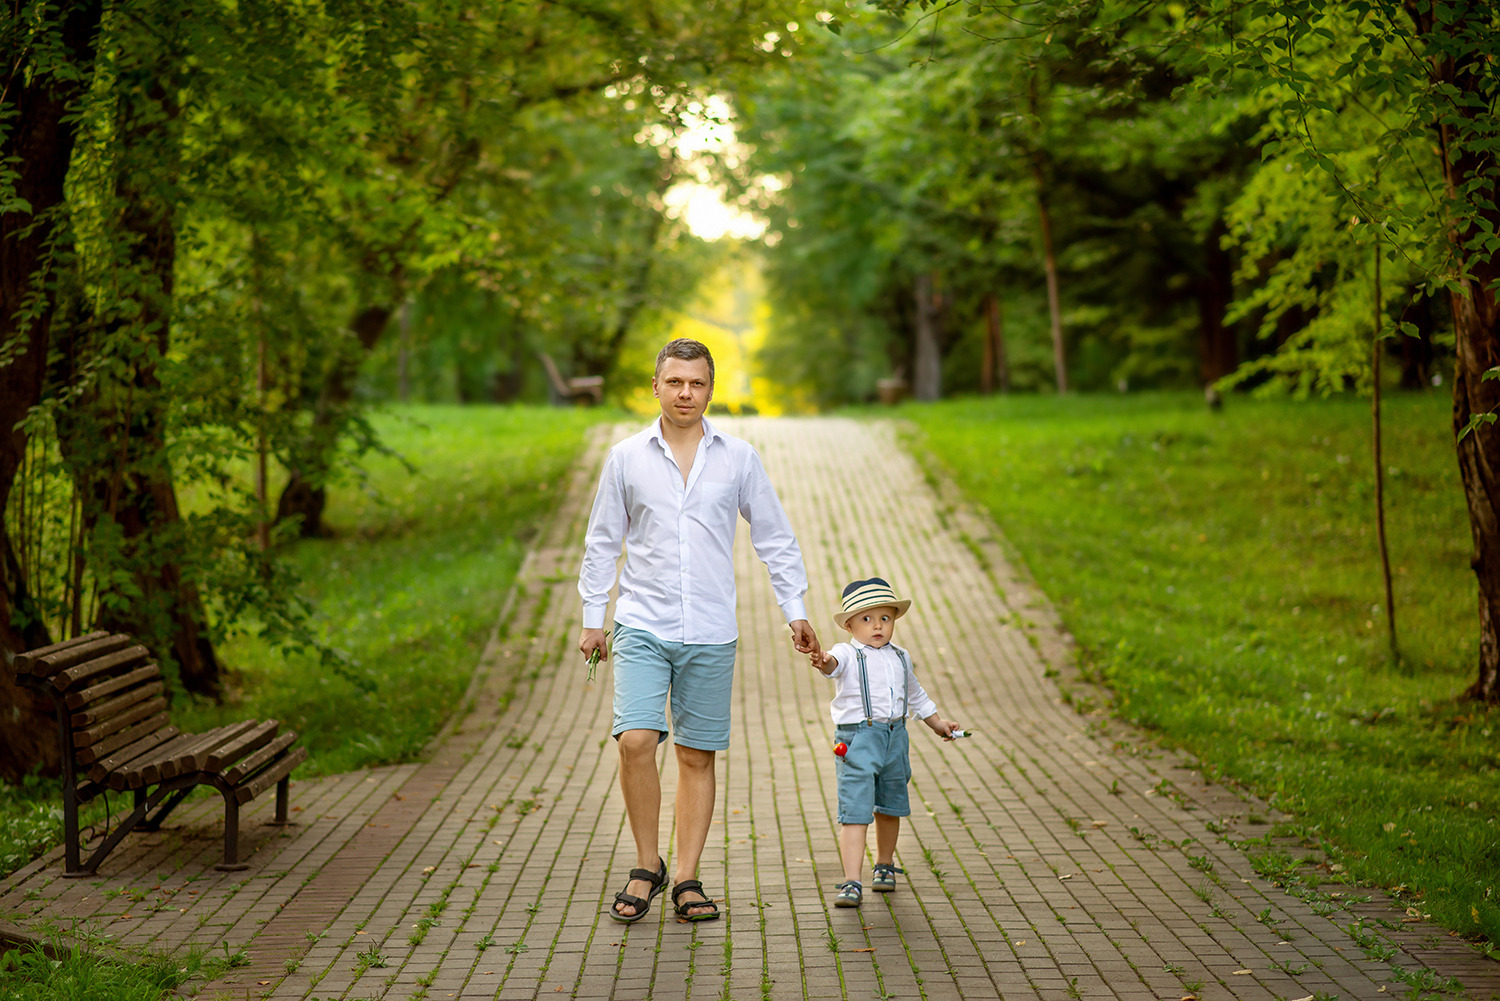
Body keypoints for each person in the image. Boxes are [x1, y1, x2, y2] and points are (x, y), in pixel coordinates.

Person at [578, 338, 821, 924]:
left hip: (711, 629)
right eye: (675, 382)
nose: (686, 393)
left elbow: (776, 538)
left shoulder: (738, 458)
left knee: (695, 755)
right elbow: (603, 540)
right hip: (641, 623)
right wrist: (593, 618)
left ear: (710, 389)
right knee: (636, 740)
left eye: (697, 383)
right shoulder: (626, 457)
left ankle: (686, 875)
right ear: (655, 387)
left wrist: (797, 612)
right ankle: (646, 864)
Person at [809, 576, 959, 908]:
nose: (877, 625)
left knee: (890, 803)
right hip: (859, 739)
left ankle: (885, 864)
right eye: (867, 618)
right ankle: (851, 880)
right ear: (849, 625)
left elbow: (915, 695)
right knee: (856, 808)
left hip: (895, 737)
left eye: (885, 618)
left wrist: (937, 724)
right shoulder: (847, 653)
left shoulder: (901, 657)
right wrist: (823, 661)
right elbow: (832, 666)